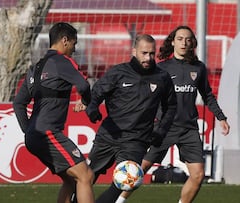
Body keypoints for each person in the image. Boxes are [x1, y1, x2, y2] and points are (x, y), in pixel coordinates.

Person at [119, 26, 230, 203]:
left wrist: (221, 117)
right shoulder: (161, 68)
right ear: (172, 41)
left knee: (198, 175)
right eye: (179, 39)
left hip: (189, 128)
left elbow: (207, 95)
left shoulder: (198, 68)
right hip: (164, 127)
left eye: (187, 39)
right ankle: (120, 201)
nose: (184, 43)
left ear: (192, 43)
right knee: (139, 169)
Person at [84, 34, 177, 203]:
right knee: (86, 176)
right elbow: (97, 92)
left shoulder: (162, 77)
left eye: (151, 53)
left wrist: (161, 131)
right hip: (109, 135)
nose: (148, 58)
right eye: (144, 53)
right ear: (134, 51)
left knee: (128, 180)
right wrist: (92, 109)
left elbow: (170, 107)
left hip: (137, 140)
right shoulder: (118, 72)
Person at [13, 22, 95, 203]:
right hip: (48, 133)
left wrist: (29, 131)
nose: (74, 49)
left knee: (70, 179)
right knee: (86, 176)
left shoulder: (35, 68)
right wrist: (86, 101)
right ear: (65, 41)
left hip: (34, 136)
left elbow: (18, 103)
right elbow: (83, 85)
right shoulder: (62, 62)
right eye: (74, 44)